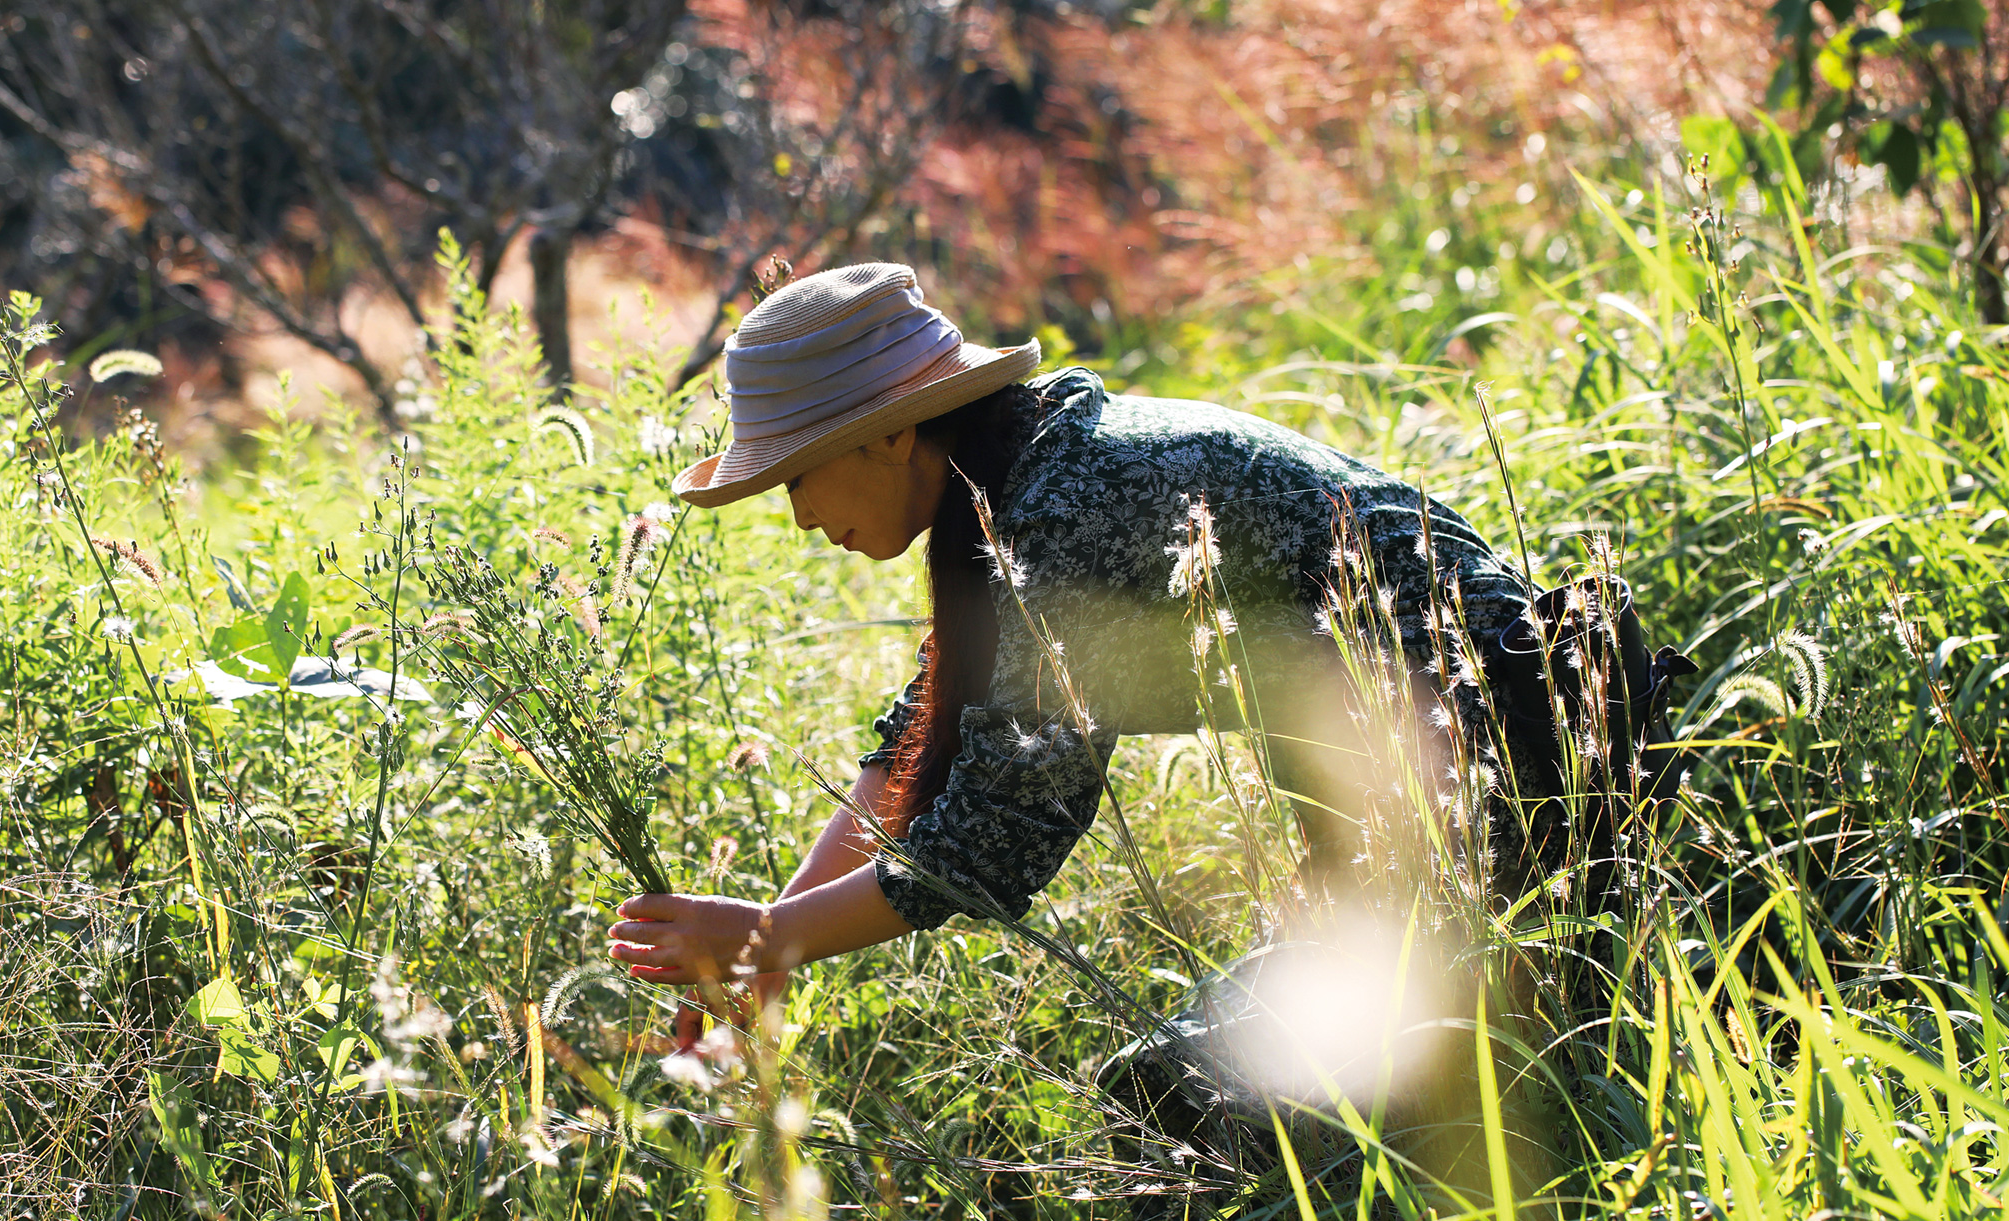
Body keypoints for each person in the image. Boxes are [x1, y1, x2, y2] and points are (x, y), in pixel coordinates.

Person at [603, 263, 1687, 1198]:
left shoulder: (1068, 508)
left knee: (1189, 1106)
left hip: (1513, 778)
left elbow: (982, 854)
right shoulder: (1020, 484)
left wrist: (764, 936)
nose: (795, 515)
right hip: (1429, 788)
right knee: (1234, 1106)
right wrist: (771, 938)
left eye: (797, 474)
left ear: (891, 435)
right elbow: (918, 750)